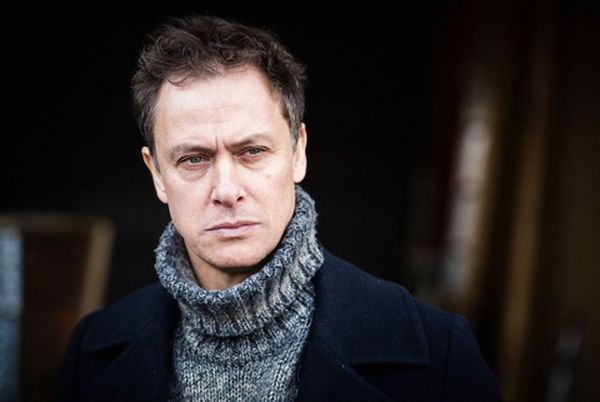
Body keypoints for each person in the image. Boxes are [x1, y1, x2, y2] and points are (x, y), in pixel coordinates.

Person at [57, 15, 503, 402]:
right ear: (157, 174)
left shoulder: (438, 354)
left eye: (252, 151)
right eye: (193, 159)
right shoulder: (93, 353)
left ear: (298, 153)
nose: (226, 190)